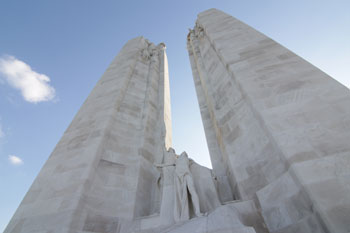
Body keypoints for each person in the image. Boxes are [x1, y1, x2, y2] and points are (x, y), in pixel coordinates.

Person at [155, 150, 202, 222]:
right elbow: (167, 164)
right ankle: (184, 214)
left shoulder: (188, 159)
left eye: (185, 153)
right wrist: (158, 165)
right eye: (183, 153)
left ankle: (198, 212)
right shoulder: (176, 161)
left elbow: (196, 165)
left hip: (187, 175)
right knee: (181, 196)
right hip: (178, 177)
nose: (184, 153)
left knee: (192, 191)